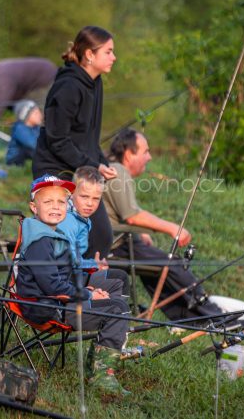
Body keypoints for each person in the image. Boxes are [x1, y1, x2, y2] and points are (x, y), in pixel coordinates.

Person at [14, 174, 131, 395]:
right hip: (48, 309)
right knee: (117, 308)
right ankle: (102, 376)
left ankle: (98, 363)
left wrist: (84, 289)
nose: (56, 207)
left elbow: (59, 277)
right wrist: (87, 296)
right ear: (33, 207)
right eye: (48, 202)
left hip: (52, 301)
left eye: (61, 202)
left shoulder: (49, 233)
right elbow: (52, 287)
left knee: (114, 296)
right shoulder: (41, 241)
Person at [104, 128, 226, 322]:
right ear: (128, 154)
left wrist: (138, 234)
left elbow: (117, 212)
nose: (150, 157)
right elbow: (132, 216)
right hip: (115, 246)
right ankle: (216, 317)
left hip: (118, 241)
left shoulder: (111, 168)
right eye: (145, 151)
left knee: (156, 269)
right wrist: (173, 228)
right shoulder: (118, 171)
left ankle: (189, 319)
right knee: (173, 264)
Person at [33, 26, 118, 260]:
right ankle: (64, 291)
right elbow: (57, 140)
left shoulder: (95, 82)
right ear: (90, 55)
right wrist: (91, 165)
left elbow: (87, 137)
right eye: (108, 52)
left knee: (100, 237)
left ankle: (87, 292)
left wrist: (100, 162)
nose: (114, 57)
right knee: (68, 240)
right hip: (55, 171)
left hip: (80, 169)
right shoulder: (68, 87)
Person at [58, 166, 130, 298]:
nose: (90, 203)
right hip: (63, 285)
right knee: (118, 279)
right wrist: (93, 265)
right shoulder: (67, 220)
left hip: (72, 277)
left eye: (96, 198)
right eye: (84, 196)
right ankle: (111, 311)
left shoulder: (81, 218)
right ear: (71, 193)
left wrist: (93, 266)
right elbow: (70, 261)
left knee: (119, 277)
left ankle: (114, 311)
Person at [0, 58, 57, 145]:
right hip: (30, 87)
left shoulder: (2, 79)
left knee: (36, 115)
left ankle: (44, 147)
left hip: (44, 79)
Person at [5, 100, 43, 166]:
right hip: (15, 160)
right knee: (32, 150)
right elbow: (33, 144)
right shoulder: (20, 128)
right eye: (36, 113)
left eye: (39, 112)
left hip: (28, 158)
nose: (40, 115)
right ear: (26, 115)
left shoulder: (36, 128)